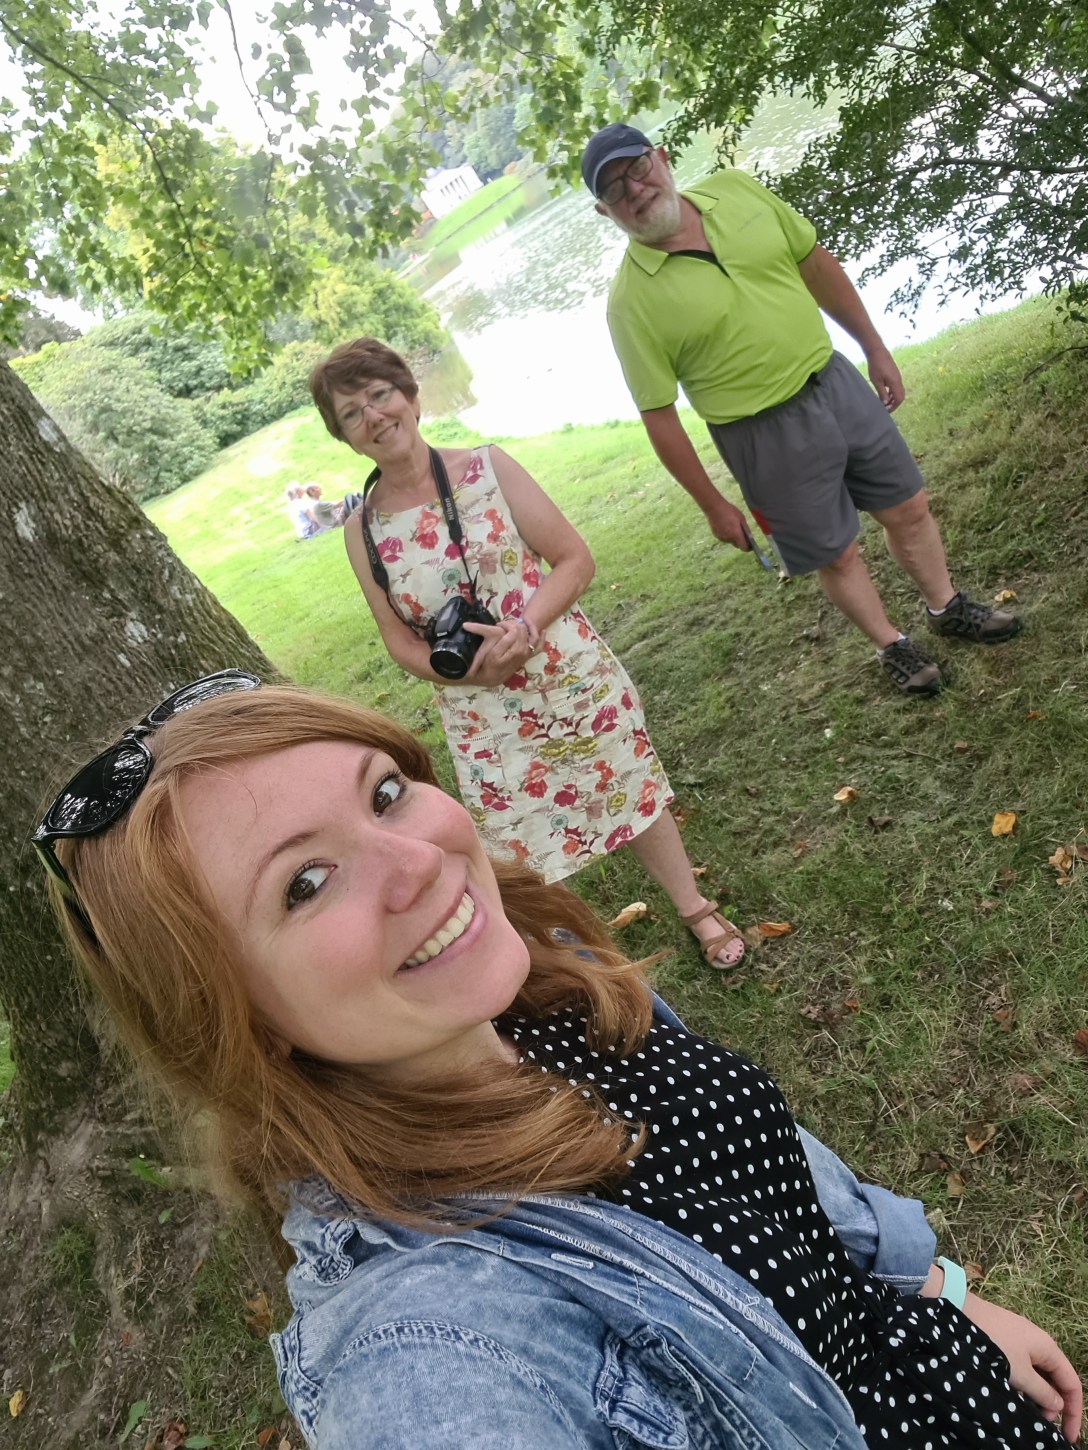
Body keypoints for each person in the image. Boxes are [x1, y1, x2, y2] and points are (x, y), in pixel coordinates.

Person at [33, 674, 1081, 1449]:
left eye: (385, 793)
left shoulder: (543, 981)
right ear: (236, 1020)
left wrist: (936, 1290)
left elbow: (770, 1175)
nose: (420, 861)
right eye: (305, 883)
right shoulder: (428, 1339)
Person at [309, 336, 746, 970]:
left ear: (411, 397)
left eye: (380, 395)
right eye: (352, 413)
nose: (373, 416)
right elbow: (398, 639)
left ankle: (695, 907)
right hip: (480, 709)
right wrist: (458, 673)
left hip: (564, 672)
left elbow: (574, 560)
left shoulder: (488, 469)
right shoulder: (362, 532)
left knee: (629, 785)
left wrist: (526, 627)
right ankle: (585, 967)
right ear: (344, 436)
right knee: (519, 840)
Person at [583, 123, 1022, 697]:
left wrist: (874, 347)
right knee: (835, 555)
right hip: (760, 434)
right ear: (604, 211)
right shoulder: (630, 303)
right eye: (615, 189)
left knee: (909, 506)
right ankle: (892, 644)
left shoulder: (736, 190)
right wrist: (713, 504)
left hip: (833, 380)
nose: (635, 190)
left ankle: (948, 608)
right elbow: (658, 414)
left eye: (637, 168)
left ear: (661, 158)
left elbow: (814, 263)